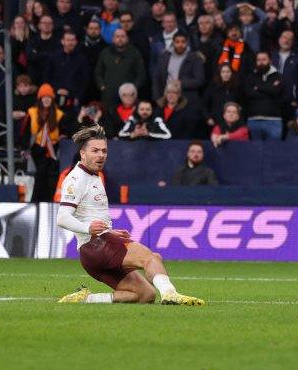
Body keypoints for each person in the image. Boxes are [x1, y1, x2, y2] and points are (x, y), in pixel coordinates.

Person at [56, 124, 204, 305]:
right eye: (95, 151)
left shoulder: (93, 176)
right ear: (82, 153)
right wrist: (89, 228)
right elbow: (62, 217)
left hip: (94, 252)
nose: (101, 155)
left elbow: (87, 214)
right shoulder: (76, 179)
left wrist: (109, 233)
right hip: (96, 246)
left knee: (145, 295)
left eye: (104, 151)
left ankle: (86, 299)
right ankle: (170, 294)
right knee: (151, 258)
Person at [28, 84, 65, 202]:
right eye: (44, 97)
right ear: (40, 99)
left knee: (47, 174)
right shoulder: (32, 112)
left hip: (53, 148)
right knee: (42, 171)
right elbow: (25, 132)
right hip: (37, 147)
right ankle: (40, 201)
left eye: (49, 97)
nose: (46, 99)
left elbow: (64, 131)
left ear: (52, 99)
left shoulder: (59, 114)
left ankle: (40, 200)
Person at [244, 52, 284, 141]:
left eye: (264, 59)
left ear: (270, 61)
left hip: (274, 120)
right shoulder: (250, 77)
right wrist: (269, 90)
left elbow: (277, 92)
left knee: (273, 152)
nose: (261, 62)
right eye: (258, 60)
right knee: (254, 153)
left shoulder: (279, 76)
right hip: (253, 120)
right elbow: (249, 94)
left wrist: (257, 87)